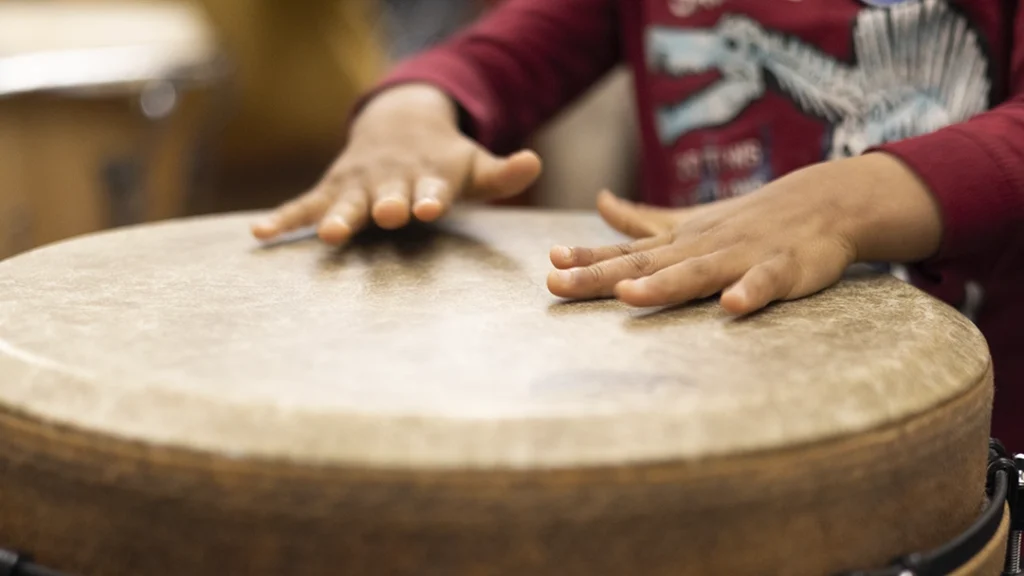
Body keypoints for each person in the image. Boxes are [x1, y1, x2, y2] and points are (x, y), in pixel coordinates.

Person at [251, 0, 1023, 450]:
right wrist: (414, 110)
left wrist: (842, 203)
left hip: (980, 429)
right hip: (703, 420)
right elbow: (499, 54)